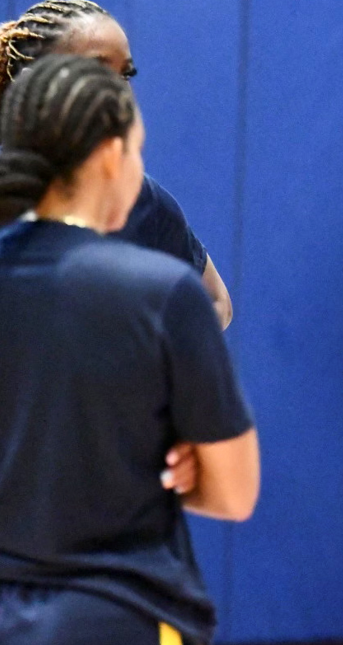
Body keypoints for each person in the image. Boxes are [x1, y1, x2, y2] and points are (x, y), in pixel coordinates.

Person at [0, 55, 259, 645]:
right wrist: (162, 467)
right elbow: (234, 492)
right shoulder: (162, 293)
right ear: (112, 156)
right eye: (138, 150)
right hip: (116, 613)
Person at [0, 0, 233, 329]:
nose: (117, 94)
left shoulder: (143, 201)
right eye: (95, 72)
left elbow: (216, 302)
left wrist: (151, 346)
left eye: (124, 76)